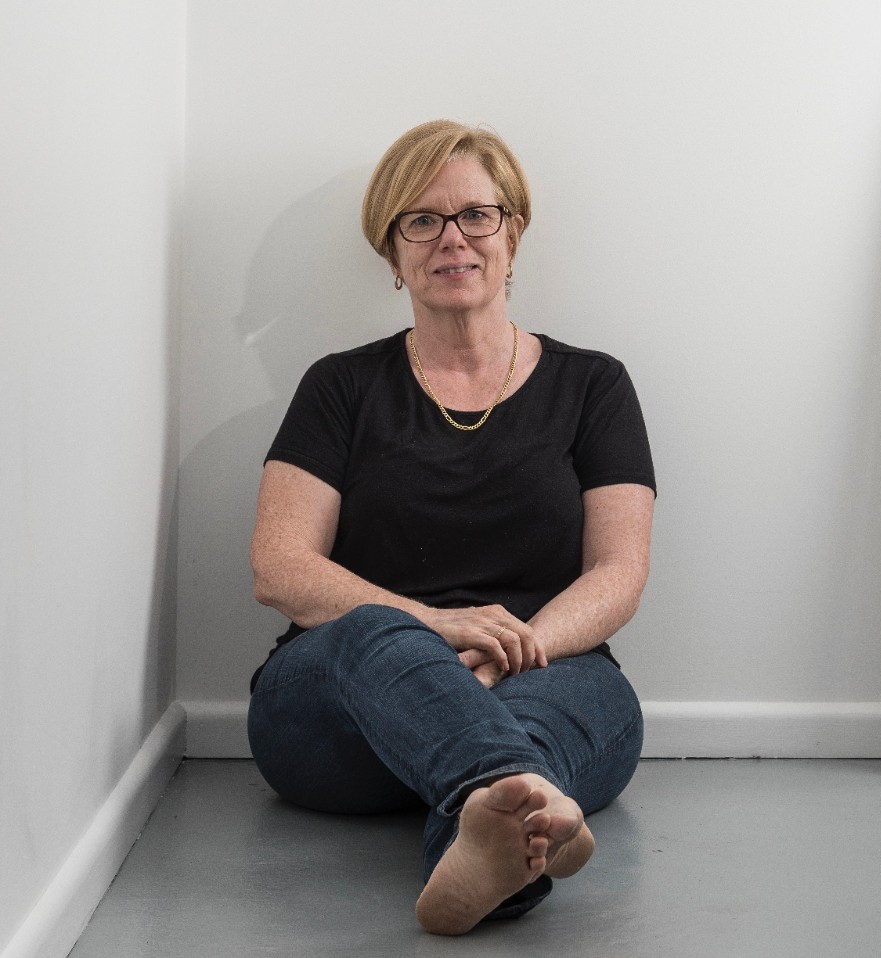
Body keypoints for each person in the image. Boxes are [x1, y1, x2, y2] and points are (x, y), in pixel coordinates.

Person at [245, 120, 656, 935]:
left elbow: (619, 571)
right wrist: (435, 628)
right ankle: (518, 790)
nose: (452, 239)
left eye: (477, 214)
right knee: (375, 631)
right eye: (421, 220)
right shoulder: (340, 386)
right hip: (341, 705)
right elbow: (278, 566)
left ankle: (483, 836)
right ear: (392, 251)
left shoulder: (593, 385)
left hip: (547, 671)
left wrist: (516, 650)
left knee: (560, 722)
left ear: (514, 231)